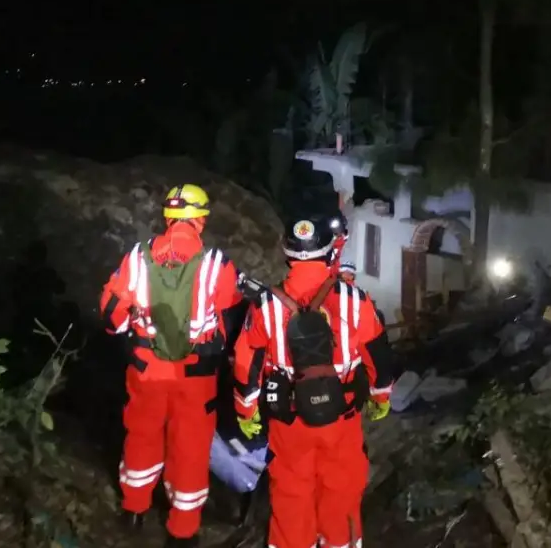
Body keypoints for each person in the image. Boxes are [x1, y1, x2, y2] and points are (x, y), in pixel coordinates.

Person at [232, 215, 397, 548]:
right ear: (329, 251)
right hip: (342, 418)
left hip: (289, 421)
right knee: (342, 491)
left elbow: (247, 361)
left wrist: (246, 409)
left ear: (287, 253)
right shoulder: (355, 300)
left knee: (292, 496)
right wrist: (381, 397)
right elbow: (377, 354)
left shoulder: (266, 305)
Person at [99, 183, 246, 548]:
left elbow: (110, 316)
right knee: (191, 447)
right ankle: (182, 530)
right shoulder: (217, 265)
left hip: (147, 369)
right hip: (195, 377)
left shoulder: (136, 257)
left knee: (143, 433)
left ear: (168, 216)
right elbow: (230, 325)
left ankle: (134, 508)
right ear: (200, 219)